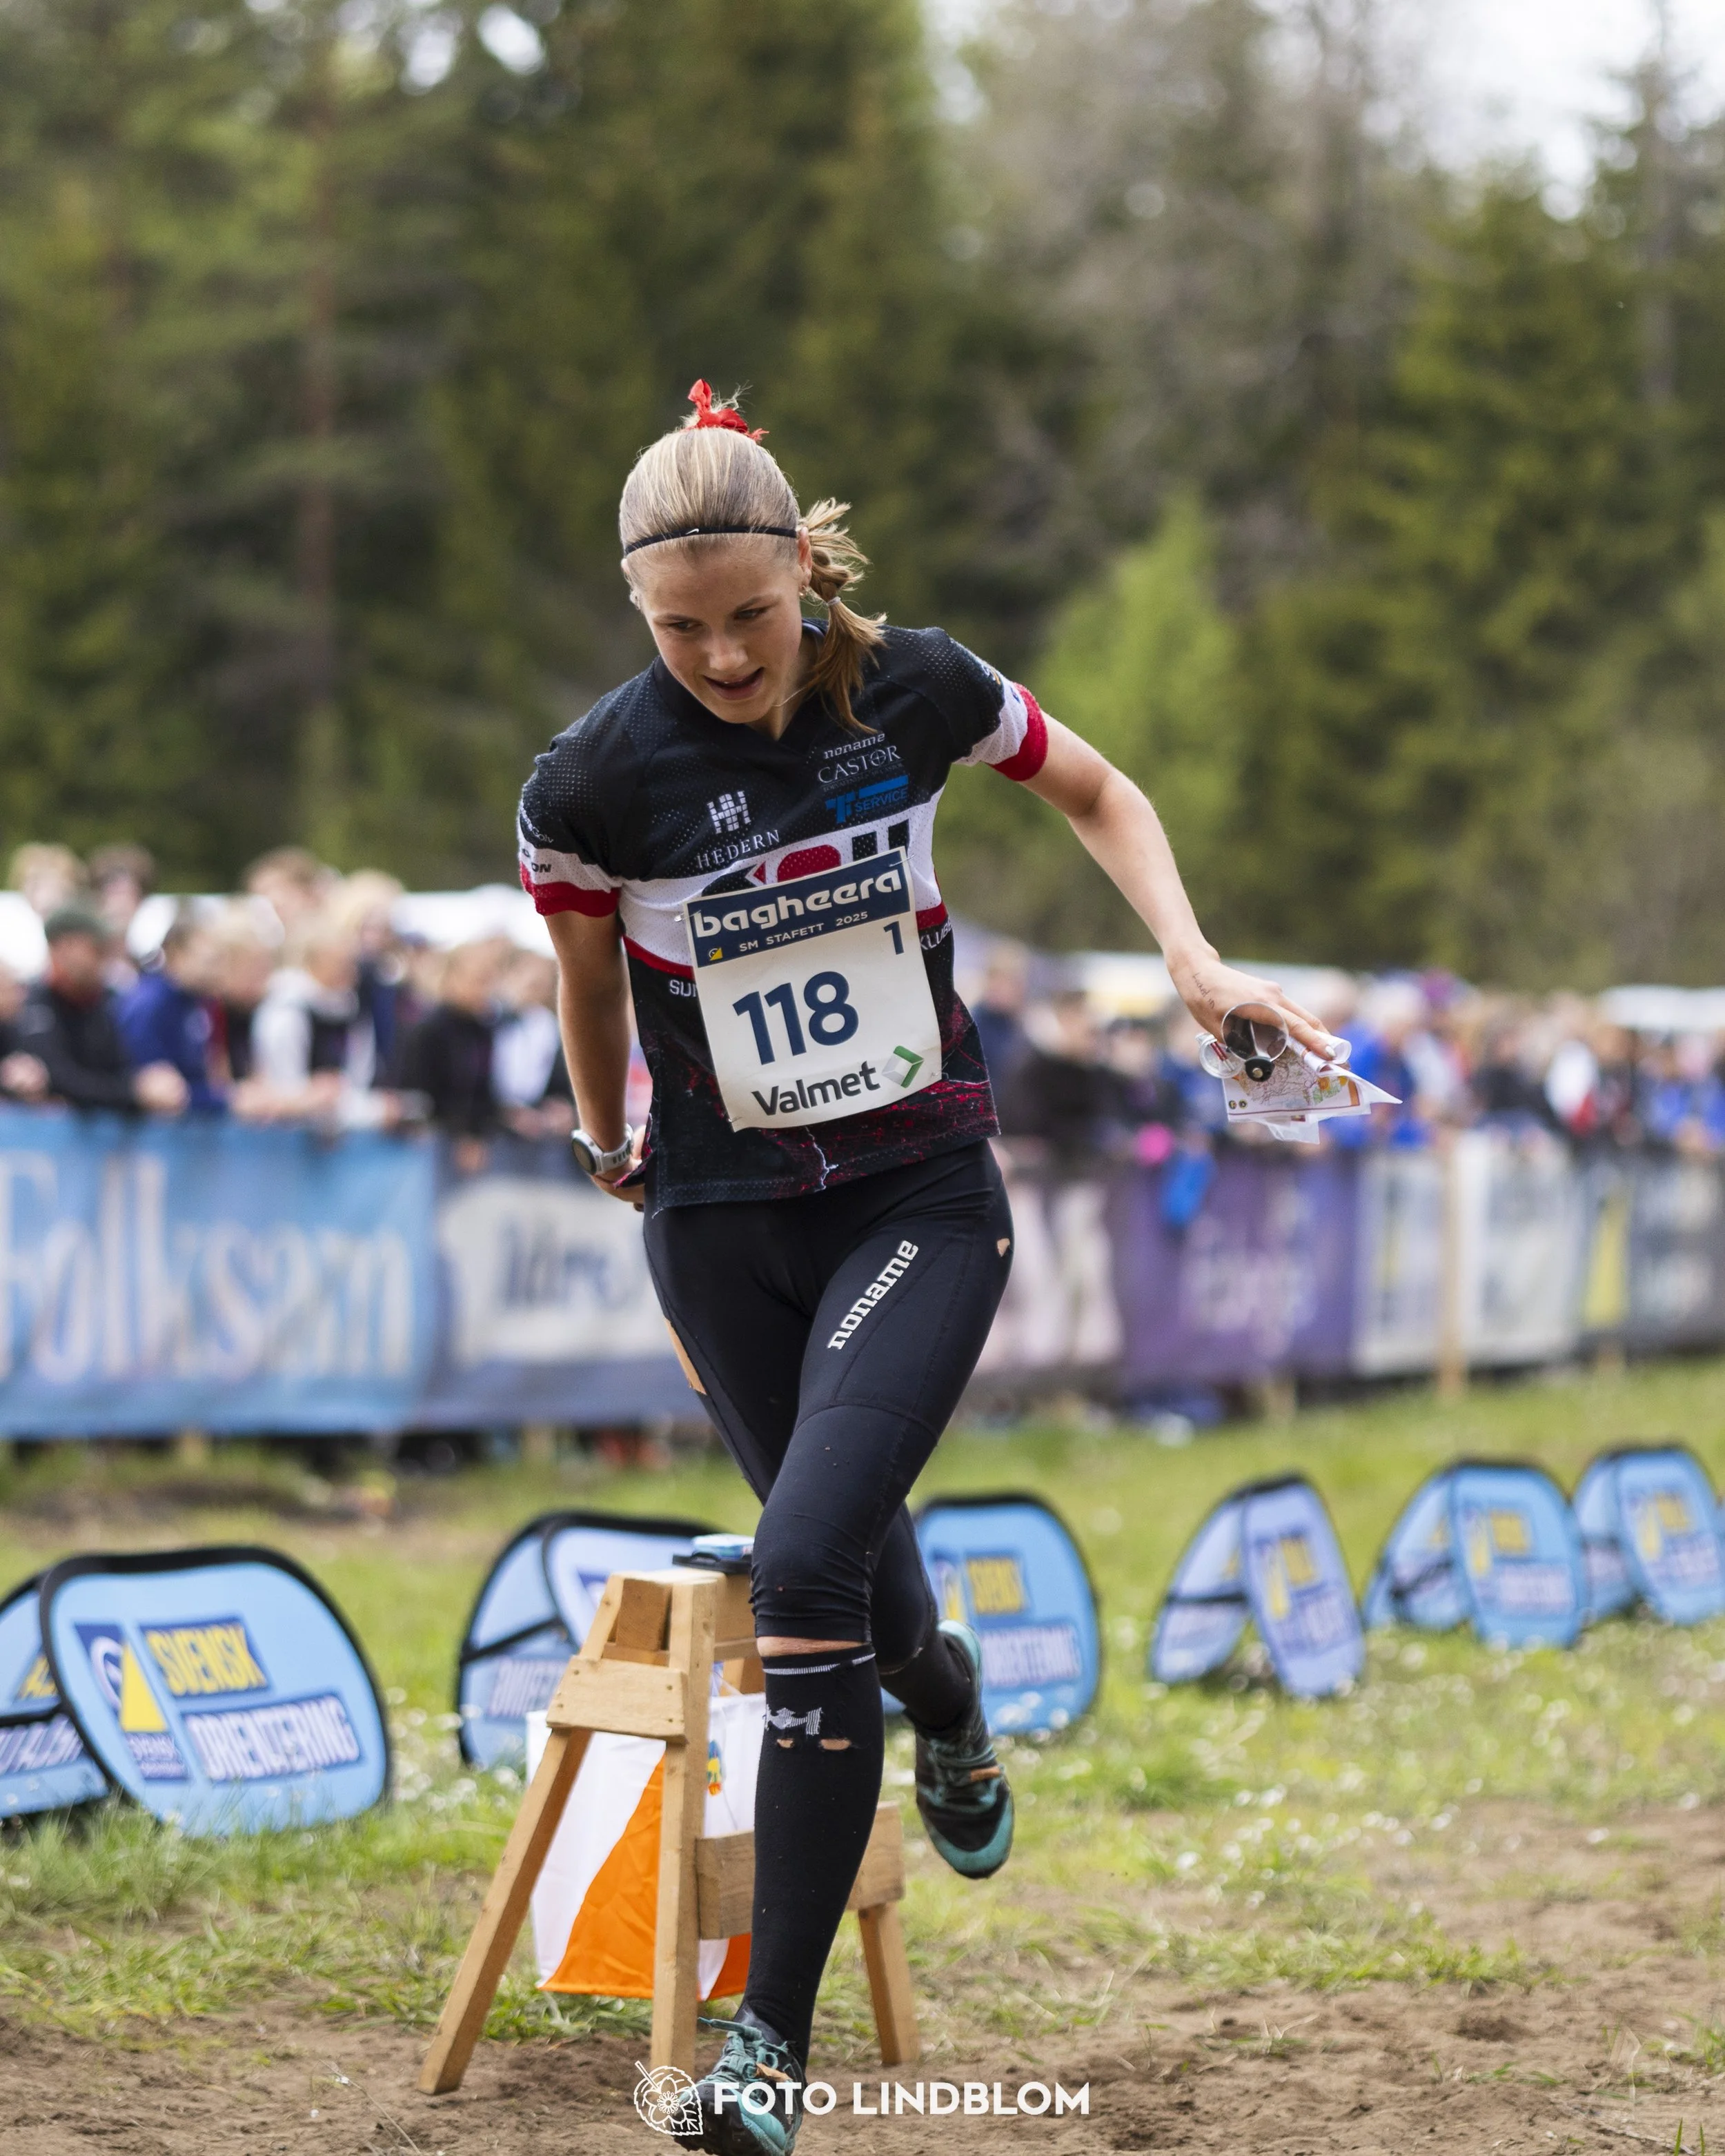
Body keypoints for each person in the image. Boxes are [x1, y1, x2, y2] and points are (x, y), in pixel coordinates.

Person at [517, 381, 1335, 2155]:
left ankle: (764, 2055)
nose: (727, 658)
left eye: (754, 614)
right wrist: (605, 1136)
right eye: (683, 629)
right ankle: (947, 1695)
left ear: (807, 567)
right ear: (636, 616)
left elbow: (1102, 790)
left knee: (805, 1552)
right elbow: (589, 982)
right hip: (720, 1221)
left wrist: (1192, 961)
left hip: (915, 1190)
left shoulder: (920, 685)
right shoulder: (589, 780)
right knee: (846, 1561)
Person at [16, 907, 188, 1116]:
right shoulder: (34, 1005)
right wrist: (133, 1092)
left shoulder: (106, 1001)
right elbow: (58, 1077)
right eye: (96, 949)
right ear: (64, 947)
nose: (105, 959)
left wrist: (150, 1084)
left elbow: (122, 1065)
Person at [392, 940, 505, 1160]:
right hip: (430, 1148)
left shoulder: (484, 1030)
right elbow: (417, 1091)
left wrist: (478, 1133)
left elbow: (484, 1089)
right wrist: (461, 1134)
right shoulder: (427, 1029)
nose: (485, 990)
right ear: (452, 977)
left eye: (489, 981)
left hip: (472, 1149)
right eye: (478, 980)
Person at [118, 907, 225, 1113]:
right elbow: (161, 1092)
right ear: (176, 955)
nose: (216, 971)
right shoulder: (148, 1006)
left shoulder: (199, 1001)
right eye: (209, 961)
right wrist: (227, 1100)